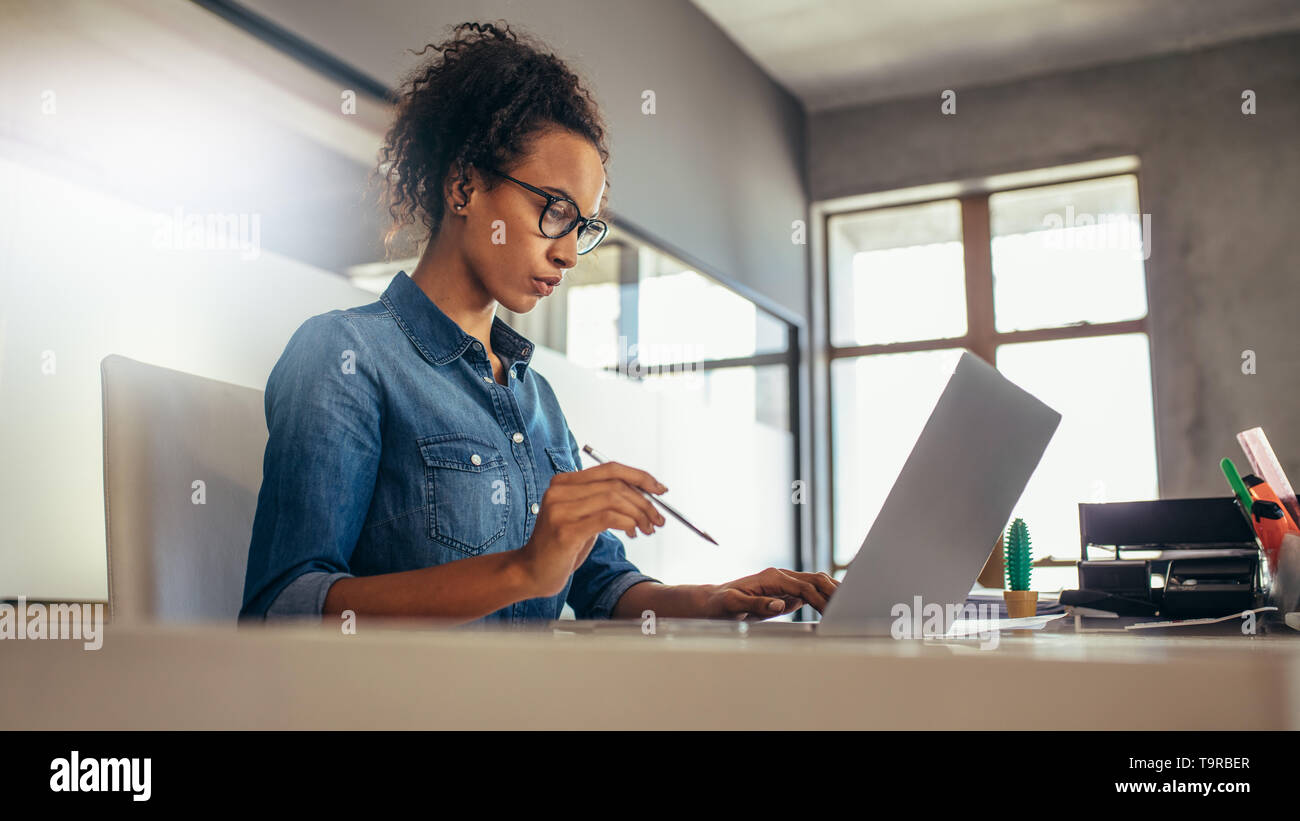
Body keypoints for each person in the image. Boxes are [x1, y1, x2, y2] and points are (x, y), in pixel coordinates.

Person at [238, 20, 837, 626]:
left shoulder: (536, 399)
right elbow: (283, 608)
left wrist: (711, 599)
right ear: (464, 186)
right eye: (554, 211)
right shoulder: (346, 355)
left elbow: (603, 585)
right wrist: (522, 570)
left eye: (585, 227)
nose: (571, 254)